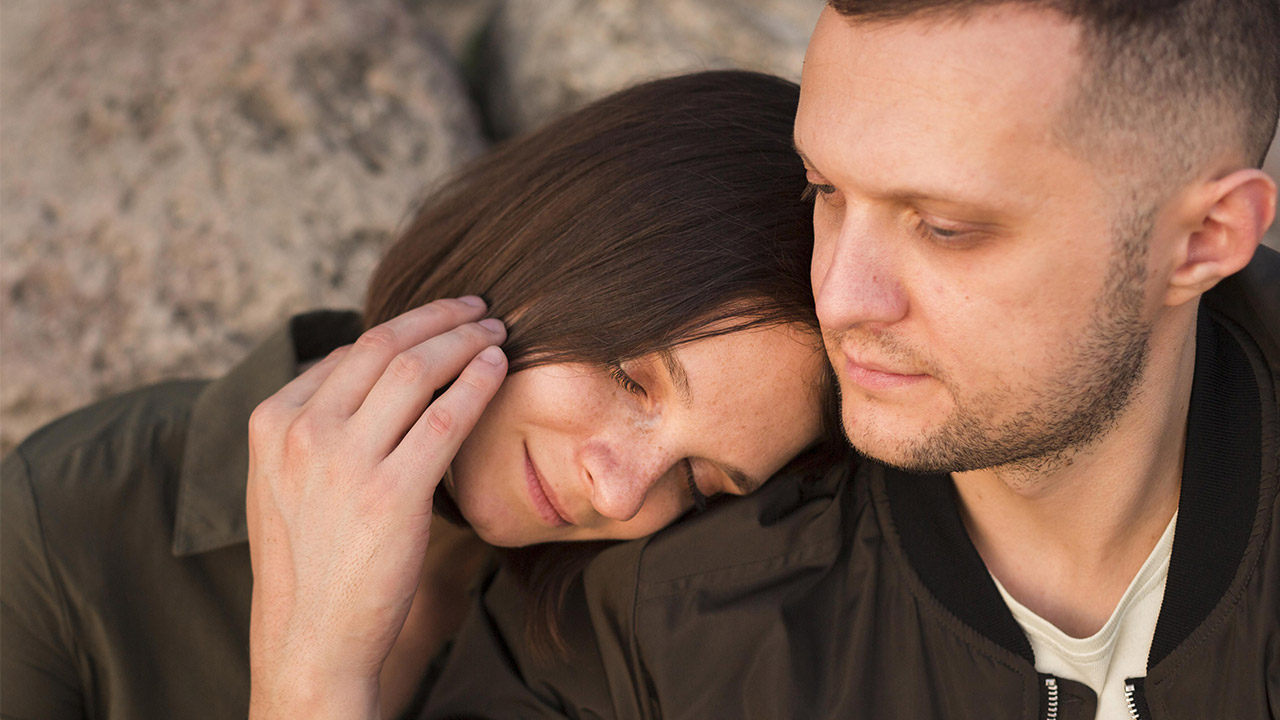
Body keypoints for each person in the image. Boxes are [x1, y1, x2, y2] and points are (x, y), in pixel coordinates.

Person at [421, 2, 1280, 719]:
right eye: (823, 190)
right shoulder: (649, 614)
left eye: (944, 228)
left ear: (1204, 239)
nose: (836, 295)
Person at [0, 70, 844, 720]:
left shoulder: (629, 643)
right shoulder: (67, 528)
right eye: (629, 378)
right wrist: (311, 674)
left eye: (698, 480)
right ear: (546, 245)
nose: (622, 493)